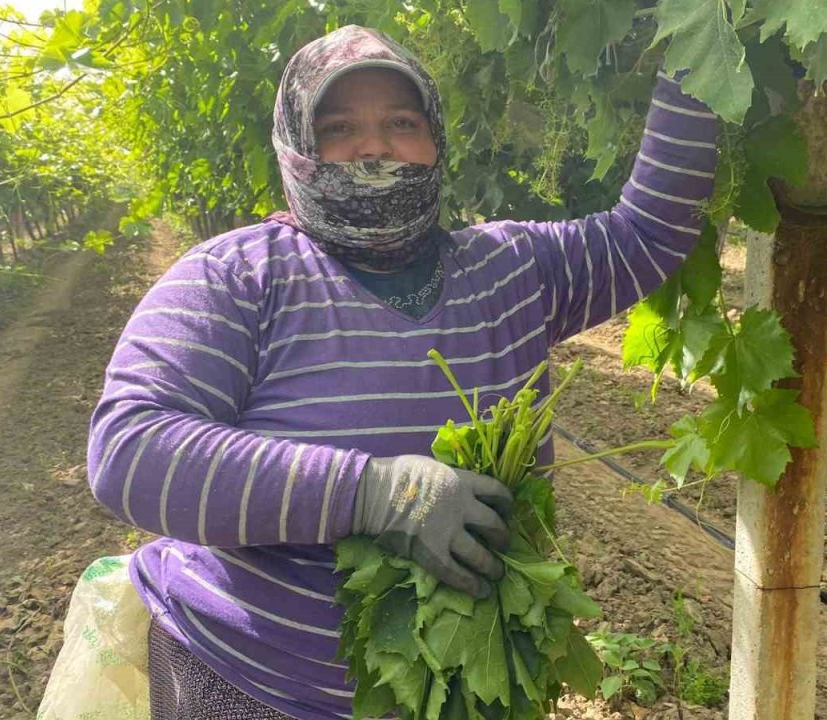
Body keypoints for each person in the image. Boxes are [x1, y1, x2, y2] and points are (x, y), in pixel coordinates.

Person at [87, 24, 718, 720]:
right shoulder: (237, 277)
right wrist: (378, 495)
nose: (375, 145)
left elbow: (650, 233)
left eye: (401, 122)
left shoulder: (511, 269)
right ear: (295, 148)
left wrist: (700, 30)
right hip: (253, 686)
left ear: (436, 140)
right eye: (337, 127)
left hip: (466, 690)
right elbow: (130, 452)